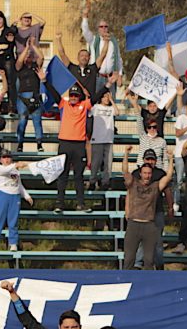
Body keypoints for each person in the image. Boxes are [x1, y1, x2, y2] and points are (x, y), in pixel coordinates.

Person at [41, 71, 93, 213]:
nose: (74, 98)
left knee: (78, 176)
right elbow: (54, 93)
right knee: (62, 174)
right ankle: (59, 203)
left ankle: (80, 204)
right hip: (65, 143)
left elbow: (96, 96)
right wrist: (45, 81)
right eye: (72, 95)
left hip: (79, 145)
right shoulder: (64, 104)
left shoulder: (85, 105)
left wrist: (107, 85)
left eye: (76, 95)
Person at [121, 146, 173, 270]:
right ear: (140, 173)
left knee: (149, 260)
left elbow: (168, 177)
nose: (147, 176)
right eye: (145, 173)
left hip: (149, 225)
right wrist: (126, 154)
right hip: (134, 224)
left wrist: (171, 159)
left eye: (149, 173)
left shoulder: (155, 186)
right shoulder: (133, 183)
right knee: (129, 259)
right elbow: (124, 171)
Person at [0, 150, 32, 251]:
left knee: (13, 221)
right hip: (2, 195)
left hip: (15, 196)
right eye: (4, 157)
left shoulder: (15, 170)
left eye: (8, 157)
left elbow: (19, 184)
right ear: (0, 159)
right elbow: (7, 170)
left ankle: (13, 243)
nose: (7, 159)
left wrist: (26, 195)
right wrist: (18, 164)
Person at [80, 3, 123, 89]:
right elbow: (85, 31)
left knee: (110, 101)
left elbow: (118, 58)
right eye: (101, 26)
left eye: (105, 26)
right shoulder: (94, 39)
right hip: (96, 77)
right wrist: (85, 16)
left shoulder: (113, 41)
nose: (104, 28)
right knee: (96, 101)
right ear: (98, 28)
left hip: (110, 78)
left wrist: (120, 74)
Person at [13, 40, 45, 153]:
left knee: (37, 120)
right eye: (26, 56)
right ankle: (20, 143)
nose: (28, 58)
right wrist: (26, 48)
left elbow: (41, 57)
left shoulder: (36, 67)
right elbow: (19, 61)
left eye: (30, 56)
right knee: (22, 120)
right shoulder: (19, 68)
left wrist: (33, 46)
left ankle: (39, 143)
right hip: (22, 97)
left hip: (35, 95)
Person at [89, 89, 116, 191]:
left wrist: (112, 101)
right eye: (105, 97)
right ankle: (92, 181)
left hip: (108, 139)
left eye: (108, 97)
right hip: (97, 139)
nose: (106, 99)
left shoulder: (111, 108)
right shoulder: (96, 107)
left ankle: (105, 182)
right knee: (96, 162)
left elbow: (117, 112)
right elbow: (89, 112)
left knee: (108, 163)